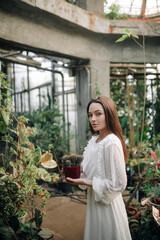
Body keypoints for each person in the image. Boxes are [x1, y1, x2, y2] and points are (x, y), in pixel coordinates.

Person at [66, 95, 132, 240]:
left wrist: (85, 182)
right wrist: (73, 166)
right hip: (94, 203)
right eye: (90, 115)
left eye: (98, 114)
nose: (93, 119)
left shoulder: (111, 143)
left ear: (108, 114)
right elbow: (89, 166)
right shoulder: (95, 140)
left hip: (108, 207)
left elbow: (119, 183)